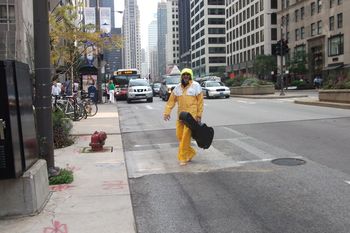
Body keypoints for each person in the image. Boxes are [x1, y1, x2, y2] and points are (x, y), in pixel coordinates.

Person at [163, 68, 204, 166]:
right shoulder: (177, 88)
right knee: (180, 136)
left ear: (190, 76)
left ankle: (183, 157)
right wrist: (167, 112)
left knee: (185, 137)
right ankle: (190, 152)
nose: (186, 76)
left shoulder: (196, 86)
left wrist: (199, 115)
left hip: (191, 117)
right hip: (181, 117)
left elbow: (200, 102)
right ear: (181, 76)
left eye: (188, 74)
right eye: (184, 74)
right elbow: (171, 101)